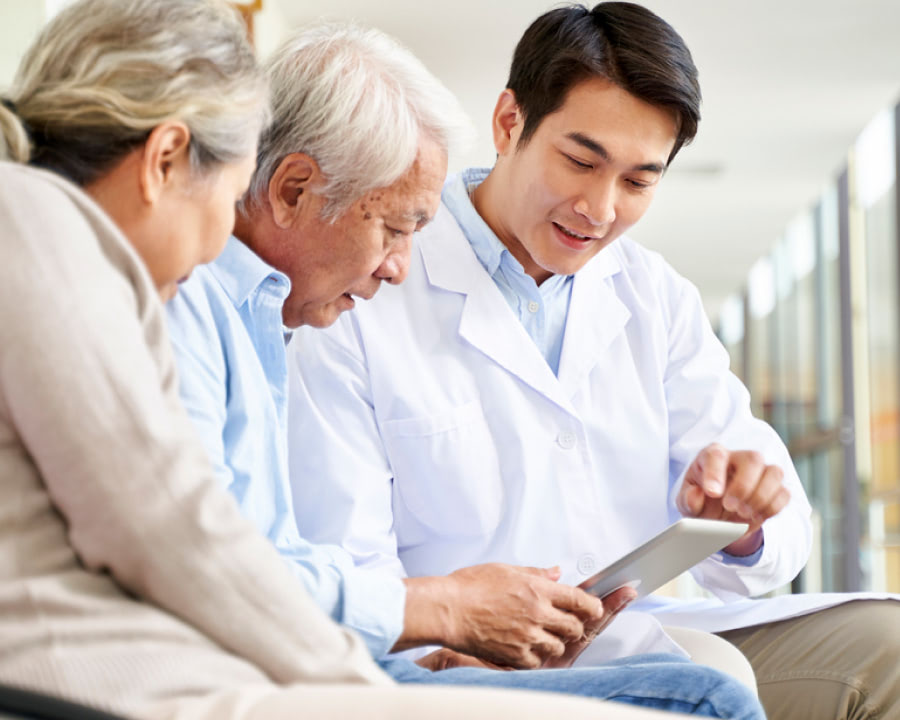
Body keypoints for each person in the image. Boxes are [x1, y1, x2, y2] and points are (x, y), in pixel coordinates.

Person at [0, 1, 737, 719]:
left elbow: (234, 545)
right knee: (702, 696)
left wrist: (403, 649)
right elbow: (174, 539)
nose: (220, 234)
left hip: (272, 659)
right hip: (153, 677)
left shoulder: (242, 311)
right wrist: (421, 628)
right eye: (225, 198)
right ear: (165, 162)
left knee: (697, 677)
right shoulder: (53, 237)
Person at [284, 3, 900, 720]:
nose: (599, 208)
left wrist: (746, 516)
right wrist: (441, 639)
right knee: (713, 680)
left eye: (639, 182)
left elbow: (774, 543)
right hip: (453, 660)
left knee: (886, 645)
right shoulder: (366, 281)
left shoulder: (654, 298)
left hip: (637, 633)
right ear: (509, 121)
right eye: (581, 161)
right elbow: (340, 558)